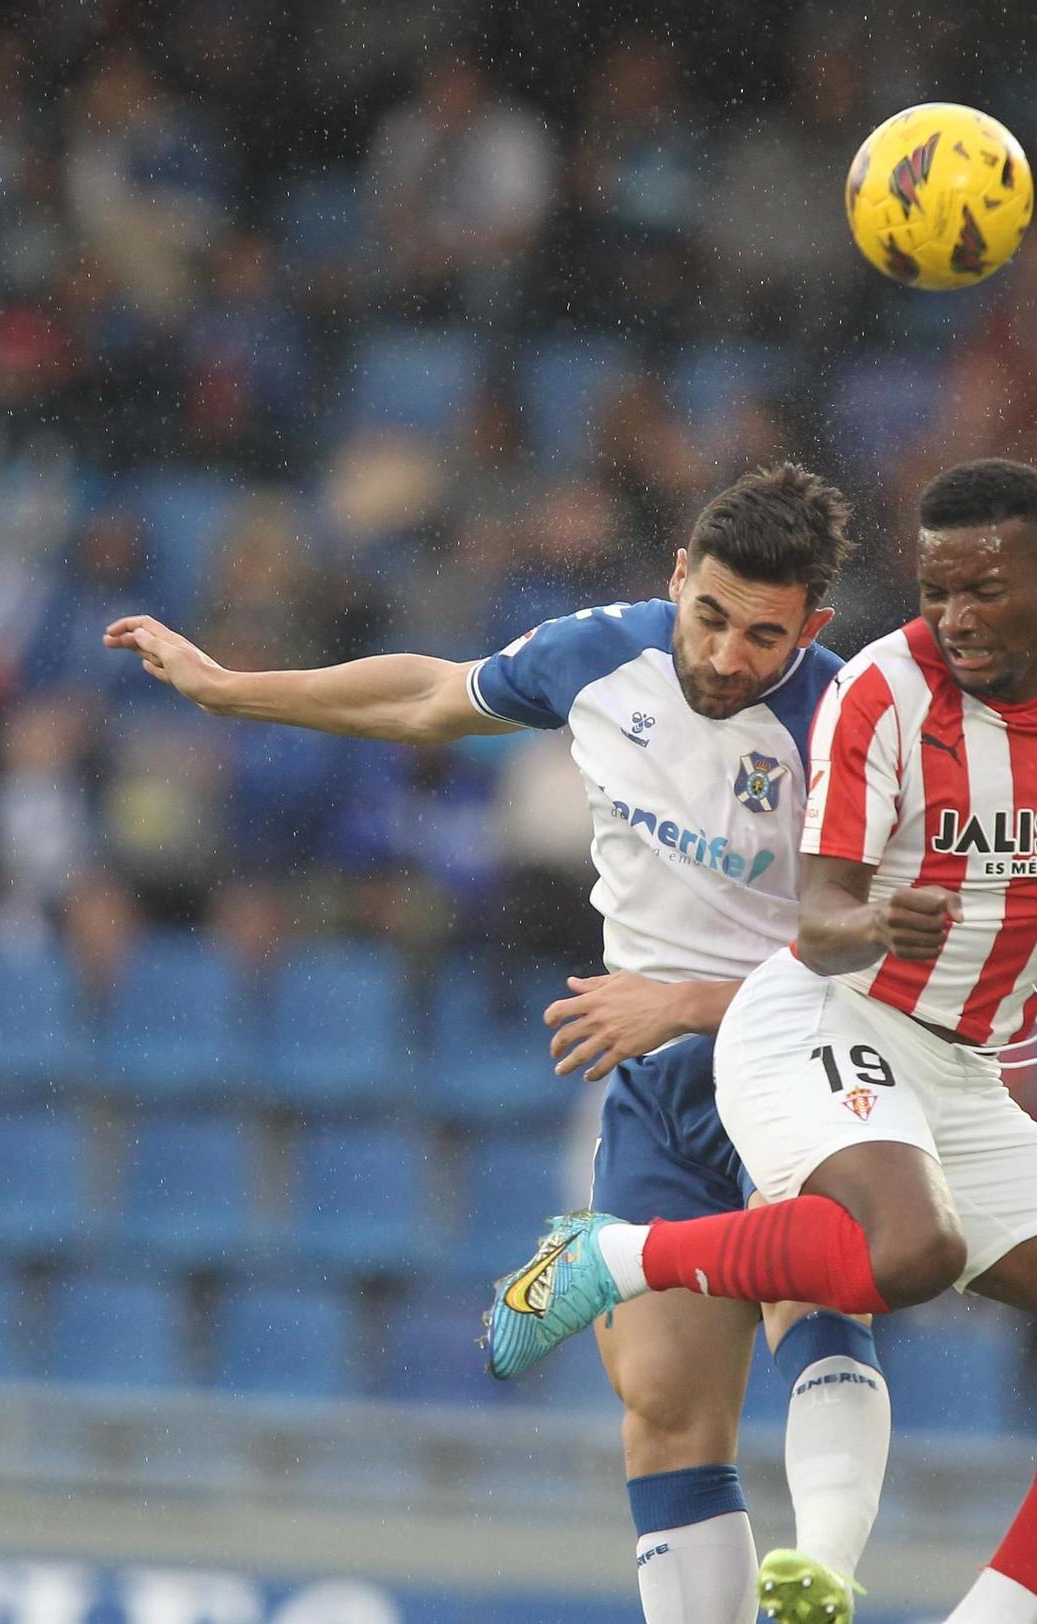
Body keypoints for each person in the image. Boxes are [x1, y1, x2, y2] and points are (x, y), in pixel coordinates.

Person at [491, 458, 1037, 1623]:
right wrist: (871, 922)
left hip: (959, 1070)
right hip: (817, 1015)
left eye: (983, 590)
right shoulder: (880, 690)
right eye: (934, 589)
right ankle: (612, 1260)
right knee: (902, 1248)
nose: (952, 618)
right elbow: (816, 915)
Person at [105, 464, 890, 1624]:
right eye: (709, 615)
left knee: (814, 1290)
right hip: (656, 1081)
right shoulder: (600, 653)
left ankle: (824, 1570)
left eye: (763, 636)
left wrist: (684, 1000)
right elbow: (430, 695)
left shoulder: (849, 727)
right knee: (666, 1406)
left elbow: (882, 959)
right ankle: (610, 1270)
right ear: (676, 575)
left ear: (811, 626)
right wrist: (231, 691)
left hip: (797, 1062)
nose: (727, 655)